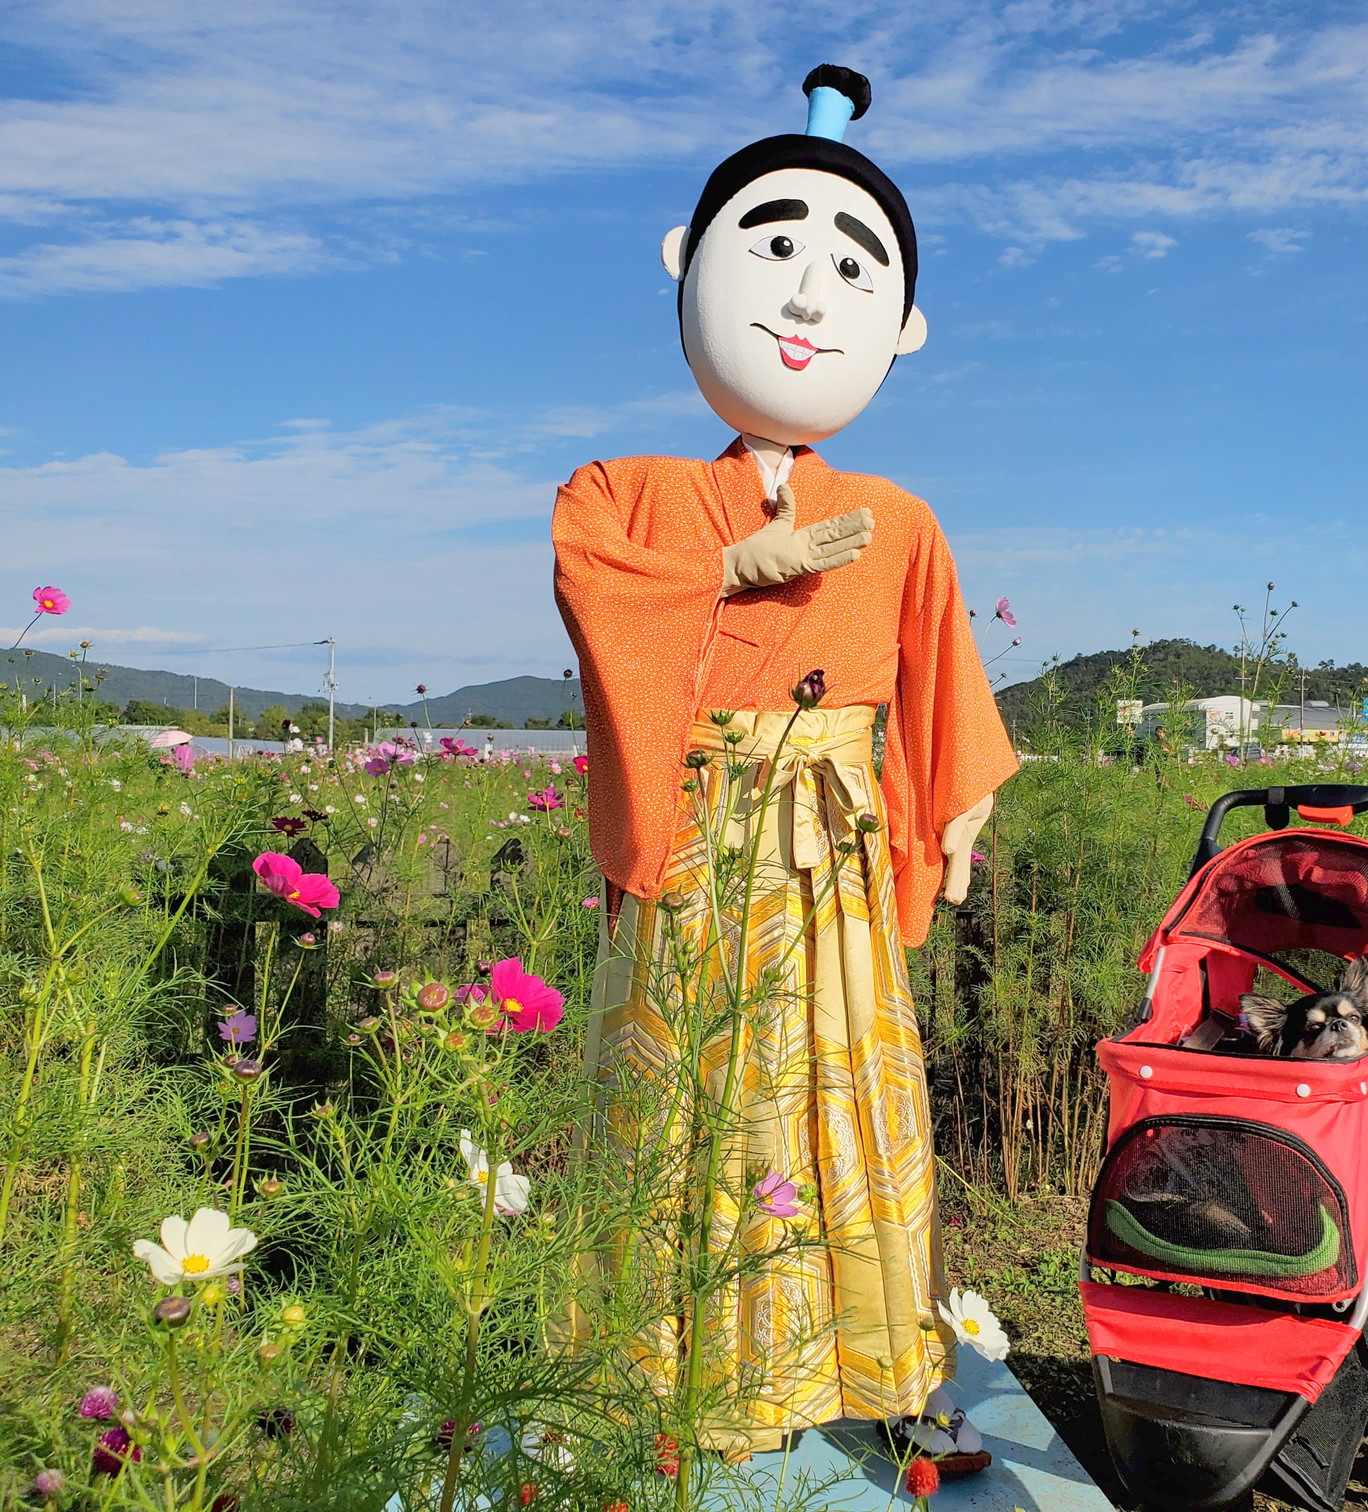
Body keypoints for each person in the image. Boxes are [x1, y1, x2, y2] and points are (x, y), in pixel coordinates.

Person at [552, 66, 1016, 1463]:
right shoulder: (623, 491)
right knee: (684, 1092)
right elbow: (597, 587)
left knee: (834, 1090)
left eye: (849, 268)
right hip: (700, 829)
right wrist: (730, 566)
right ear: (688, 266)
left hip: (838, 846)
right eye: (774, 249)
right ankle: (656, 1366)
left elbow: (945, 691)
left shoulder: (898, 517)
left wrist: (962, 807)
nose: (809, 297)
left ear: (903, 326)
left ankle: (848, 1360)